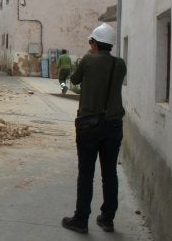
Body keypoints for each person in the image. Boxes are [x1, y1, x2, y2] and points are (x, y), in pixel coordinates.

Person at [61, 23, 127, 234]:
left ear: (95, 44)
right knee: (110, 173)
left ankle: (81, 220)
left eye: (91, 42)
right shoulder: (120, 64)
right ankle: (107, 219)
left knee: (86, 173)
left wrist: (86, 55)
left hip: (89, 124)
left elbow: (74, 79)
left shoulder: (88, 60)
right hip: (114, 125)